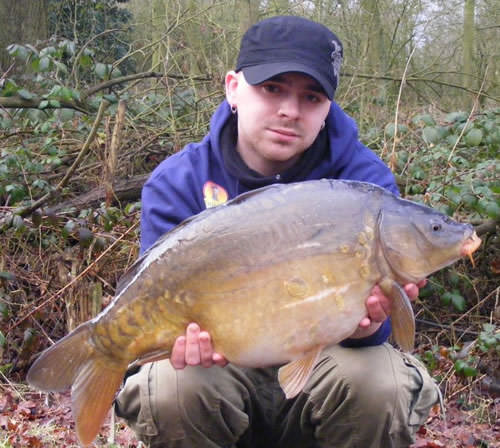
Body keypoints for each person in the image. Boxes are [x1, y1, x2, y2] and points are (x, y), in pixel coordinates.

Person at [115, 15, 439, 448]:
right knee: (173, 386)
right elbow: (150, 297)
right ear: (233, 88)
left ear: (328, 109)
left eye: (311, 97)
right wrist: (169, 343)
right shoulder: (178, 180)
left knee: (379, 382)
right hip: (219, 371)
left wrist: (366, 325)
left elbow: (376, 336)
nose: (290, 110)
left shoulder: (363, 184)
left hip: (323, 370)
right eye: (272, 89)